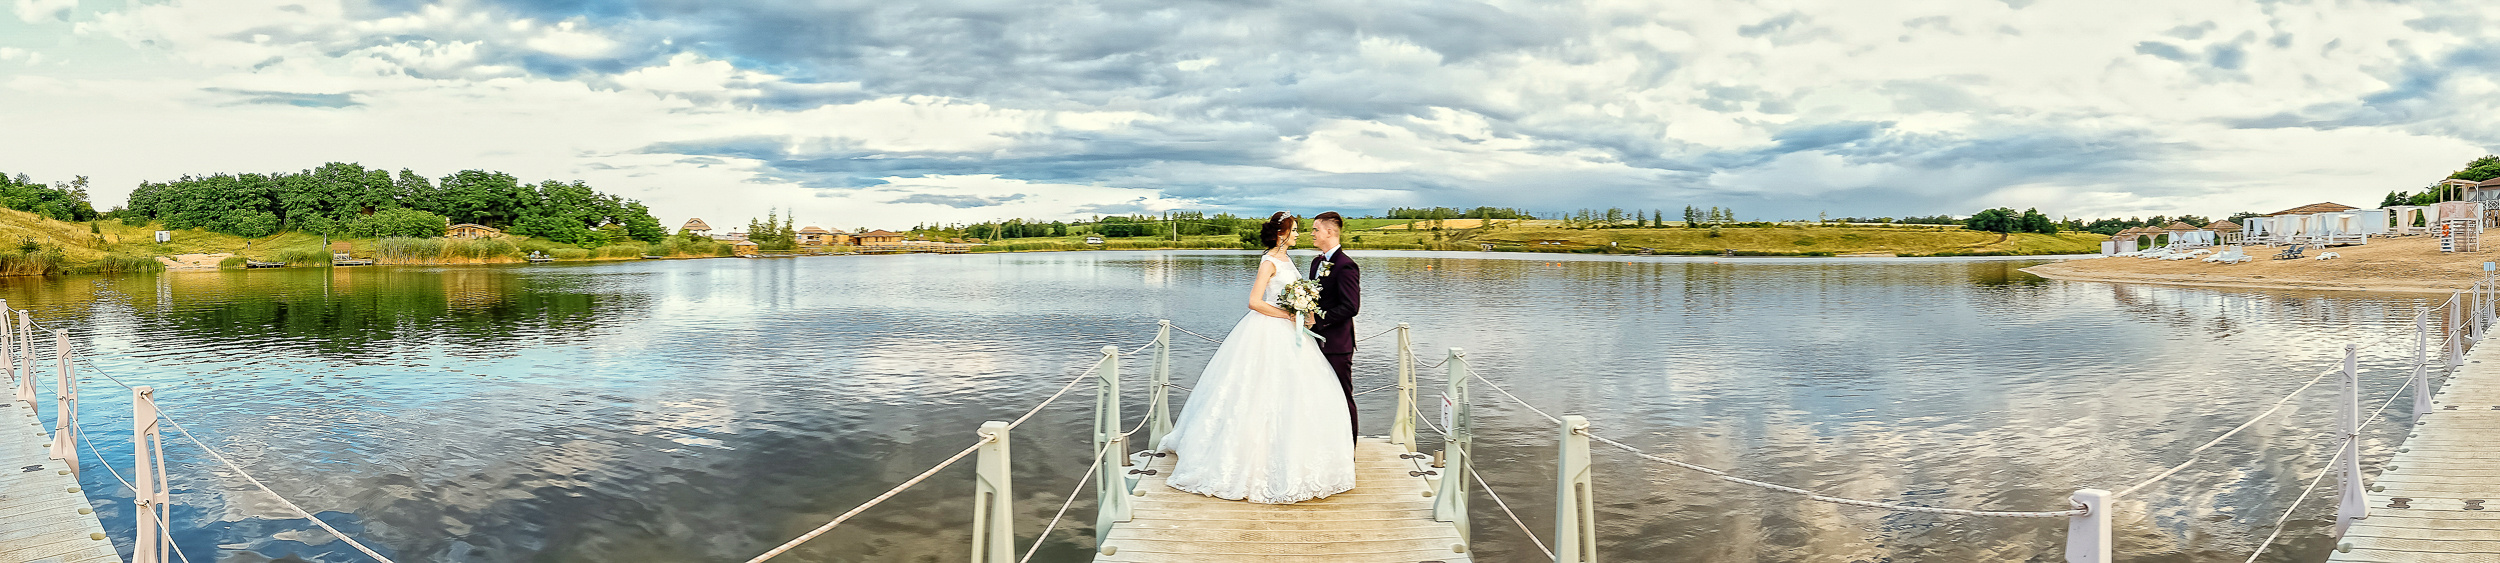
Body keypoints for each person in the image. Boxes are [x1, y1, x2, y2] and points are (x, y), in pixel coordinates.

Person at [1157, 212, 1357, 504]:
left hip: (1293, 335)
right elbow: (1254, 301)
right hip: (1268, 332)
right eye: (1295, 230)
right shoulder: (1269, 261)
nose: (1300, 234)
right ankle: (1250, 457)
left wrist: (1300, 310)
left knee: (1297, 395)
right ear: (1281, 234)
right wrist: (1288, 313)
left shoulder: (1292, 261)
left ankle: (1301, 452)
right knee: (1257, 391)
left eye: (1304, 230)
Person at [1305, 211, 1361, 440]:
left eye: (1316, 229)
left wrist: (1318, 319)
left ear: (1329, 232)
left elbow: (1351, 306)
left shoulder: (1346, 266)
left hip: (1337, 343)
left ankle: (1350, 449)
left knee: (1343, 396)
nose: (1312, 234)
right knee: (1319, 394)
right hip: (1314, 341)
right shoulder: (1317, 262)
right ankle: (1327, 443)